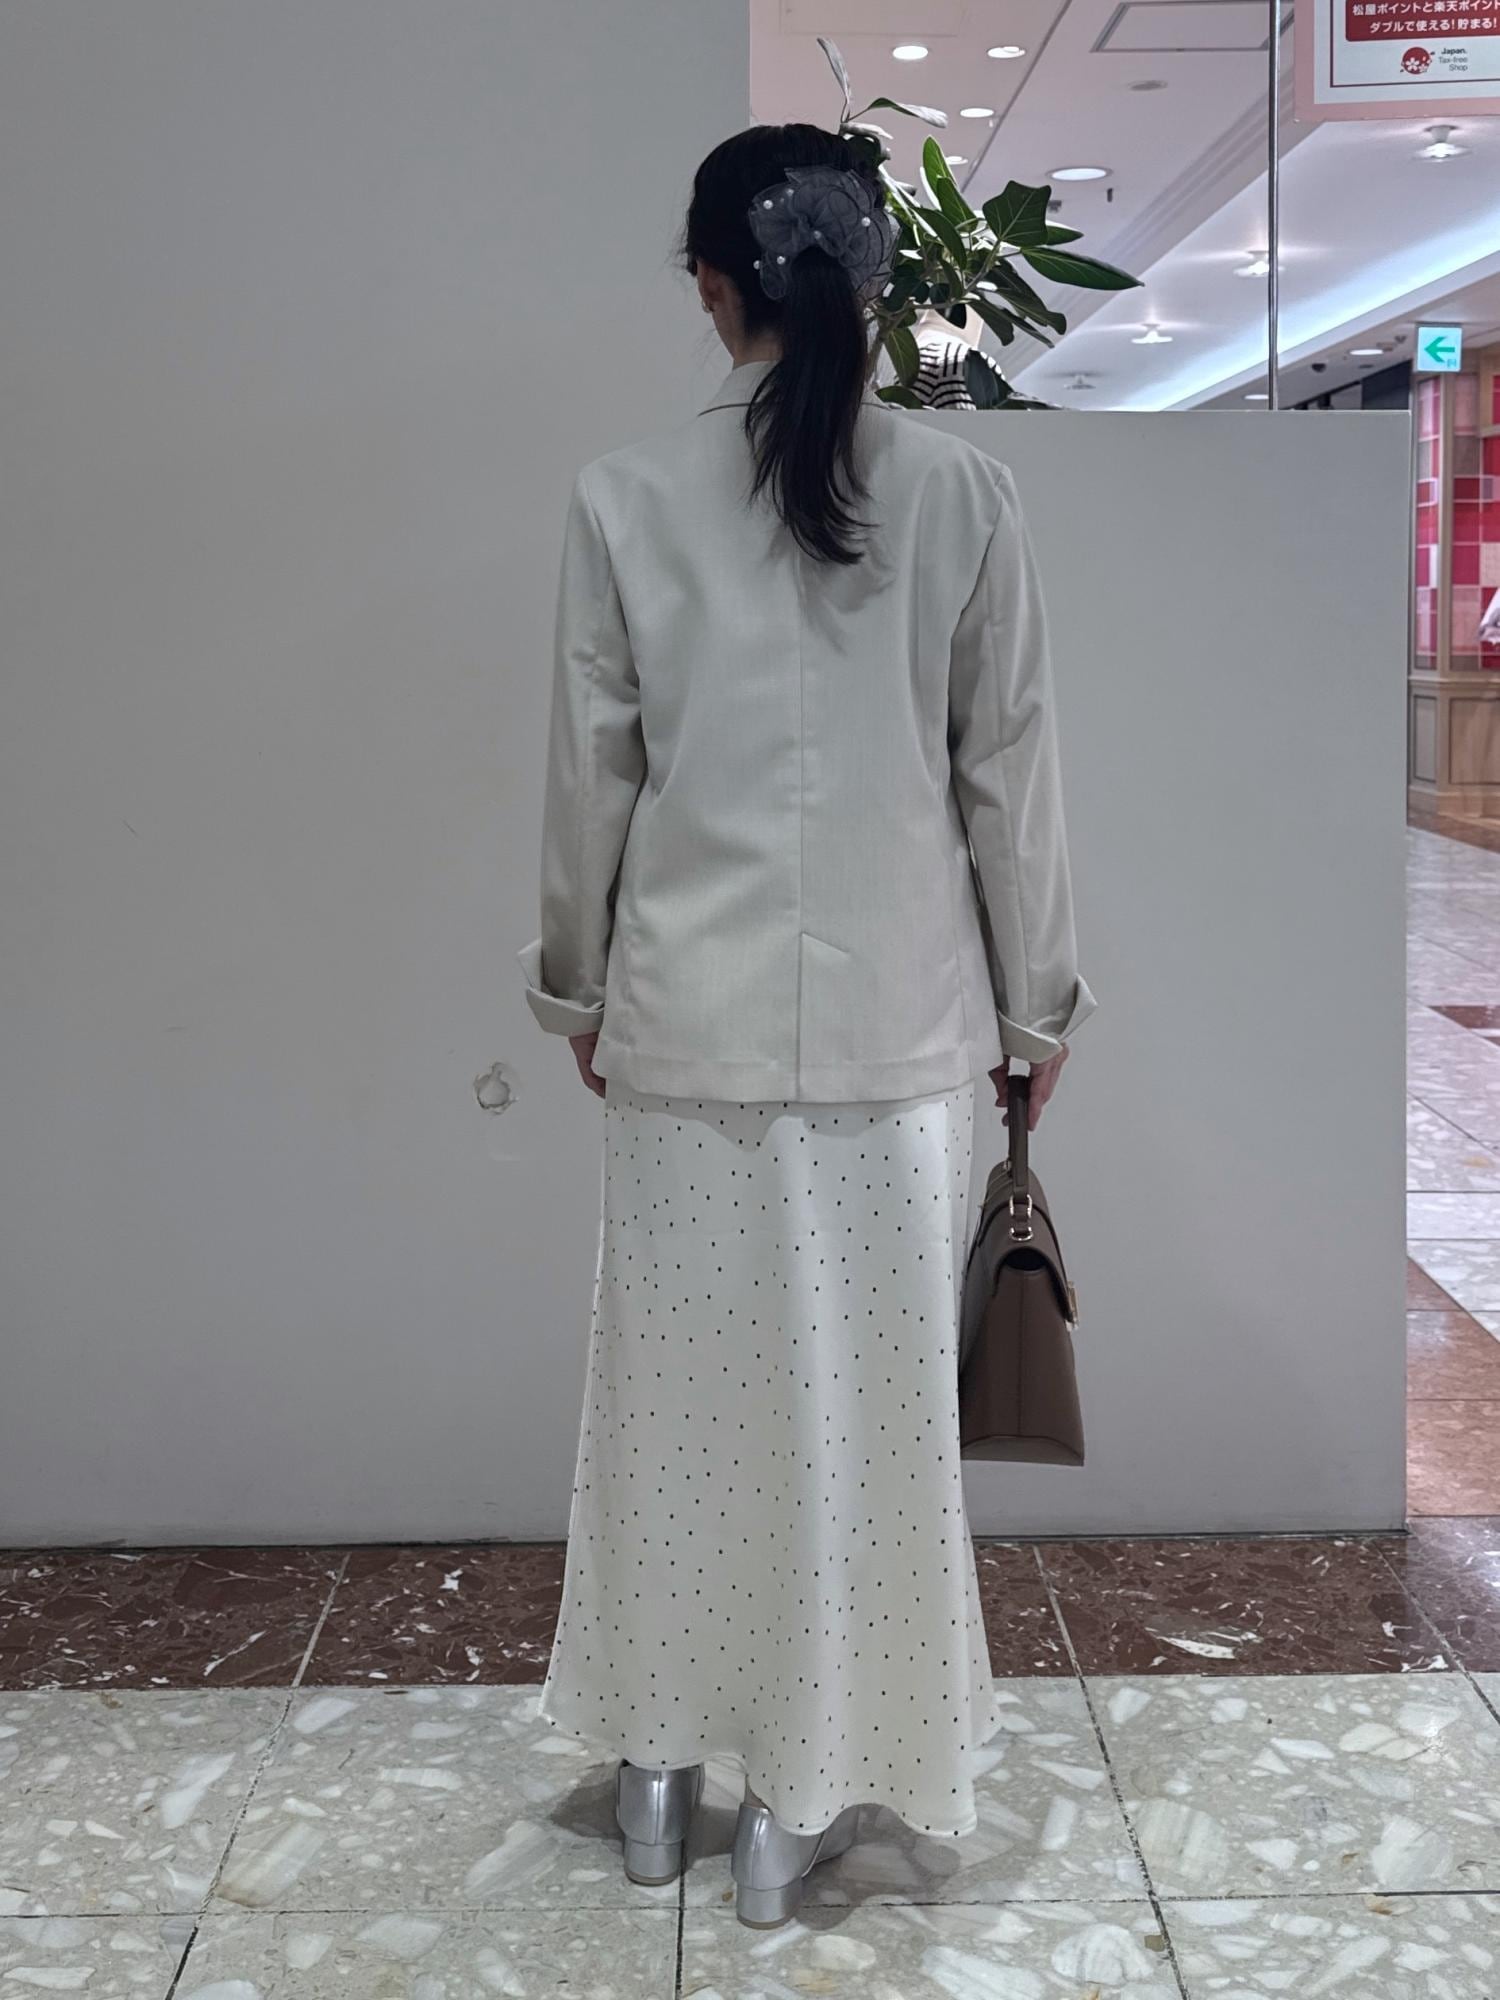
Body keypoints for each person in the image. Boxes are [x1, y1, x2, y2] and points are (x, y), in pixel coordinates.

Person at [516, 120, 1096, 1930]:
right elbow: (1008, 778)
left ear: (714, 287)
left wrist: (576, 985)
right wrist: (1037, 1004)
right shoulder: (962, 496)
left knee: (674, 1416)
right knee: (859, 1434)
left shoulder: (622, 497)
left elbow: (592, 782)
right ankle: (799, 1794)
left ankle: (658, 1774)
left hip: (677, 1038)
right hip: (900, 1048)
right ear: (874, 280)